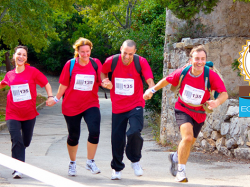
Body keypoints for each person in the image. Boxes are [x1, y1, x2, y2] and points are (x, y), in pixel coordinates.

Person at [143, 45, 228, 182]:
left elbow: (224, 94)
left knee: (190, 141)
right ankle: (181, 171)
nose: (199, 62)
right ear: (191, 60)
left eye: (202, 59)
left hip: (199, 112)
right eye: (196, 59)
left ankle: (175, 157)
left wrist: (216, 102)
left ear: (206, 60)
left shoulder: (210, 75)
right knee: (187, 137)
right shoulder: (183, 72)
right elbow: (166, 80)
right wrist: (151, 90)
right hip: (183, 108)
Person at [47, 37, 102, 176]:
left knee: (94, 131)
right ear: (77, 51)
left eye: (87, 51)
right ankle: (72, 163)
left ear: (90, 50)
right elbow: (64, 84)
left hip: (91, 103)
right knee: (74, 135)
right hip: (71, 105)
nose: (85, 54)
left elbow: (101, 79)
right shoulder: (70, 64)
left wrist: (107, 83)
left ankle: (90, 161)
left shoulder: (95, 64)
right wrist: (56, 98)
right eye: (82, 51)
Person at [101, 40, 155, 180]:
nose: (127, 56)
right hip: (118, 106)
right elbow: (102, 72)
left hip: (135, 104)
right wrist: (105, 81)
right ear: (121, 49)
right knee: (117, 138)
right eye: (125, 53)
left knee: (135, 131)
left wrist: (151, 89)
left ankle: (135, 160)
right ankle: (117, 168)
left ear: (135, 52)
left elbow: (149, 80)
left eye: (130, 54)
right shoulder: (112, 61)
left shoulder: (140, 62)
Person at [0, 46, 54, 179]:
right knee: (16, 140)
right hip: (12, 113)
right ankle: (18, 168)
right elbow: (3, 83)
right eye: (19, 54)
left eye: (24, 55)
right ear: (14, 56)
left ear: (26, 58)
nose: (21, 57)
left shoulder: (33, 72)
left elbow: (46, 83)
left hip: (29, 113)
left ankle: (18, 158)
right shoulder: (9, 74)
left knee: (25, 142)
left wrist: (50, 96)